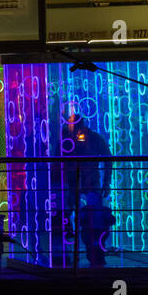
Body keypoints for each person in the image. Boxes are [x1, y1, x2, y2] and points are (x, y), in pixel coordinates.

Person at [61, 108, 113, 267]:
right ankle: (93, 255)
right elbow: (107, 158)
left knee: (88, 220)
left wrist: (106, 182)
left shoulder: (70, 138)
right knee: (91, 221)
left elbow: (107, 158)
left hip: (80, 184)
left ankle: (90, 254)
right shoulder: (91, 137)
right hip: (82, 184)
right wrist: (106, 182)